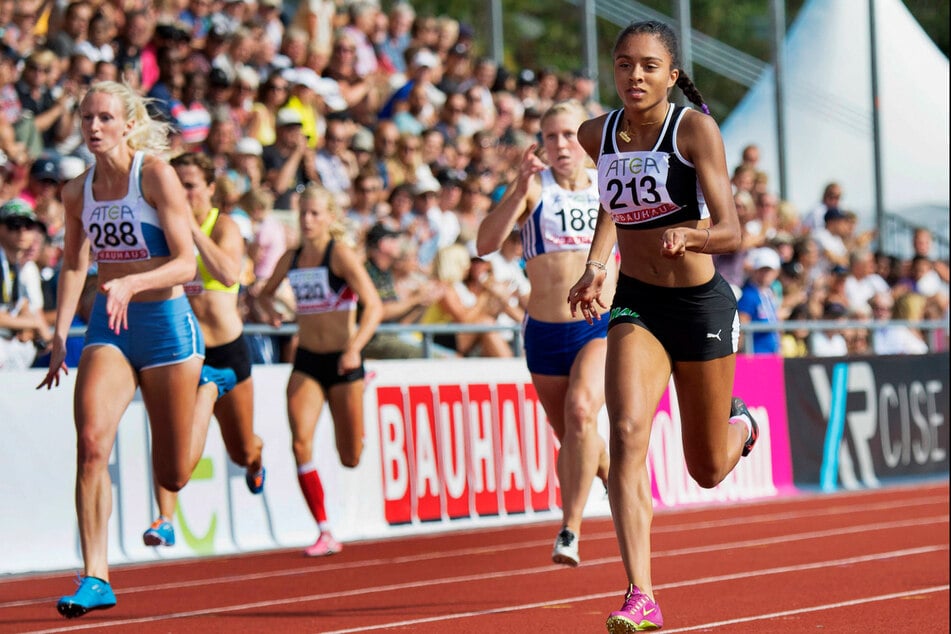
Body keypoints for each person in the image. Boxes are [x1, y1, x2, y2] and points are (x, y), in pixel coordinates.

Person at [565, 21, 759, 632]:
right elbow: (611, 206)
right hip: (638, 302)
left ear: (671, 75)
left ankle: (744, 423)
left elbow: (733, 230)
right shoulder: (596, 133)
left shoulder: (694, 129)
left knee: (705, 469)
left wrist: (692, 233)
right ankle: (640, 593)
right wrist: (597, 267)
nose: (635, 76)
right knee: (624, 431)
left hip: (699, 304)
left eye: (649, 66)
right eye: (624, 65)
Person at [36, 81, 204, 618]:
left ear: (129, 123)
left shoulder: (154, 176)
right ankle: (96, 576)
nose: (94, 127)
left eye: (105, 117)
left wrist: (133, 283)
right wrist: (61, 332)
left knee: (173, 473)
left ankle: (210, 393)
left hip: (164, 324)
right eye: (87, 117)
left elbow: (186, 264)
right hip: (109, 329)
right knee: (90, 443)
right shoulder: (76, 191)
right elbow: (73, 264)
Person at [476, 99, 612, 567]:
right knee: (575, 439)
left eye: (570, 134)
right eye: (551, 136)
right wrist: (515, 190)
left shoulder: (606, 185)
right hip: (545, 334)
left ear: (587, 139)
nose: (561, 145)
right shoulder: (536, 189)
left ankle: (569, 529)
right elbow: (484, 244)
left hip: (600, 325)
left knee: (580, 411)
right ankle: (615, 475)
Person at [140, 152, 266, 548]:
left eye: (191, 185)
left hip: (227, 352)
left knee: (239, 450)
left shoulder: (223, 225)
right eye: (176, 185)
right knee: (169, 439)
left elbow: (229, 272)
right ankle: (163, 518)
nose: (183, 193)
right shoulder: (160, 226)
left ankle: (256, 456)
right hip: (182, 353)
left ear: (211, 189)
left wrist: (192, 229)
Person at [257, 184, 383, 556]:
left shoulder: (338, 255)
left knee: (350, 456)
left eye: (315, 213)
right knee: (300, 442)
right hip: (308, 361)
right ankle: (324, 529)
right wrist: (271, 313)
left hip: (343, 362)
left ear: (329, 217)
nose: (308, 220)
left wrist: (355, 349)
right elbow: (262, 294)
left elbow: (373, 306)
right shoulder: (292, 258)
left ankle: (363, 387)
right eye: (303, 214)